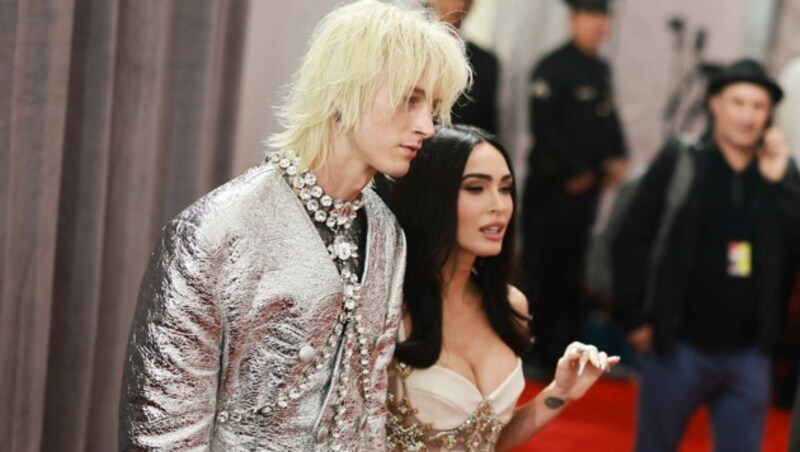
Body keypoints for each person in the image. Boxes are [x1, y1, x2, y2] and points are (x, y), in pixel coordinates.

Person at [118, 1, 472, 449]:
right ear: (346, 90)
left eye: (434, 105)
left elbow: (371, 412)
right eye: (410, 98)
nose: (426, 126)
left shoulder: (385, 237)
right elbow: (163, 431)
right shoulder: (215, 232)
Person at [387, 125, 619, 450]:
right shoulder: (387, 308)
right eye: (476, 188)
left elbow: (491, 441)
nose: (500, 205)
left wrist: (559, 393)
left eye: (506, 188)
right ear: (431, 197)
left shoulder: (511, 305)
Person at [613, 59, 800, 452]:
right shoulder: (684, 160)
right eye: (739, 103)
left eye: (758, 106)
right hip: (677, 345)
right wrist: (635, 317)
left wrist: (781, 182)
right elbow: (631, 238)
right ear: (715, 104)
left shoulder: (780, 174)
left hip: (749, 355)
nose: (748, 116)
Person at [522, 0, 628, 373]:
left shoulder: (599, 69)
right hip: (554, 192)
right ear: (573, 19)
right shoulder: (552, 67)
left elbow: (609, 119)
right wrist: (576, 170)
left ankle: (561, 351)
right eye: (590, 16)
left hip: (587, 194)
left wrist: (619, 155)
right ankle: (530, 352)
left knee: (572, 273)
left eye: (603, 17)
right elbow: (543, 129)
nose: (598, 25)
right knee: (542, 270)